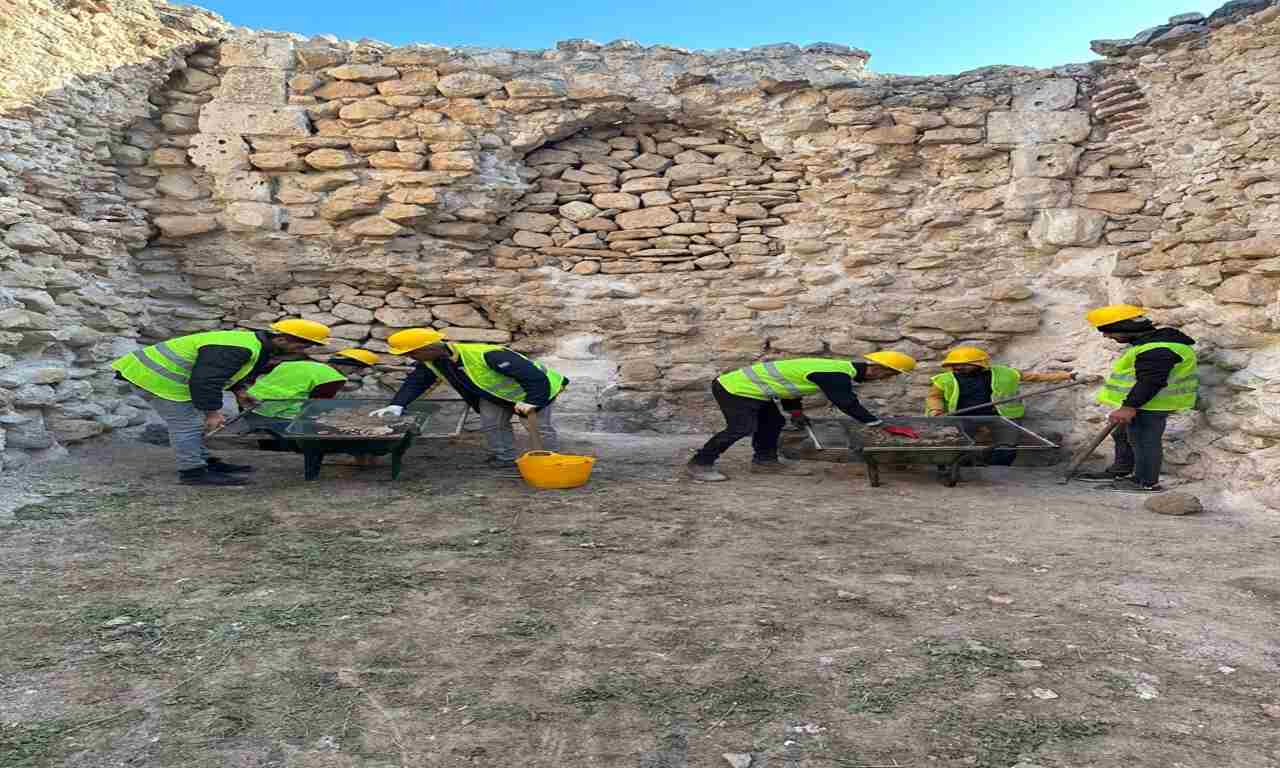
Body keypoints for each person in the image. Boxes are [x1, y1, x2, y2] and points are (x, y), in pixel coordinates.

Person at [110, 319, 331, 486]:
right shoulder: (237, 348)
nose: (303, 351)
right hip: (152, 377)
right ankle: (193, 473)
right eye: (303, 346)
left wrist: (240, 392)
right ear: (282, 339)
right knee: (186, 424)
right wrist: (212, 413)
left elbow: (229, 373)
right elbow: (206, 380)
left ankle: (203, 461)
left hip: (165, 377)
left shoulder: (257, 346)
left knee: (192, 422)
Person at [685, 351, 920, 482]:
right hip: (734, 388)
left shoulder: (835, 368)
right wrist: (876, 423)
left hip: (753, 389)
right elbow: (846, 403)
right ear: (878, 369)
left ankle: (765, 462)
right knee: (742, 427)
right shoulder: (835, 374)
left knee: (774, 421)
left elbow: (789, 386)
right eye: (885, 377)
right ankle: (700, 463)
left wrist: (795, 412)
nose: (883, 381)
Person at [369, 329, 567, 467]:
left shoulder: (488, 354)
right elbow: (416, 382)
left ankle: (548, 461)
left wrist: (533, 401)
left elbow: (534, 377)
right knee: (492, 425)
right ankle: (505, 458)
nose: (411, 358)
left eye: (412, 353)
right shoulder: (431, 361)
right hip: (494, 396)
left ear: (427, 348)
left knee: (537, 428)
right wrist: (397, 405)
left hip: (537, 390)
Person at [1077, 304, 1198, 493]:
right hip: (1143, 401)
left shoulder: (1158, 349)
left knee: (1143, 439)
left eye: (1109, 331)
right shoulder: (1151, 344)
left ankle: (1145, 481)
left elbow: (1150, 381)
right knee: (1122, 434)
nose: (1106, 336)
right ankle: (1121, 471)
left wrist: (1129, 407)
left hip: (1151, 403)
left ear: (1124, 327)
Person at [924, 346, 1075, 466]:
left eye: (963, 364)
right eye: (955, 364)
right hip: (962, 416)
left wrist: (1069, 376)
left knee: (1007, 445)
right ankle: (962, 468)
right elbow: (934, 397)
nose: (958, 367)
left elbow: (1036, 377)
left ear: (978, 364)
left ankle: (999, 470)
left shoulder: (1005, 373)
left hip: (1001, 415)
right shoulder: (944, 379)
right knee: (957, 444)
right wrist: (936, 410)